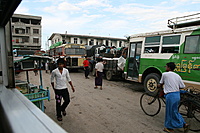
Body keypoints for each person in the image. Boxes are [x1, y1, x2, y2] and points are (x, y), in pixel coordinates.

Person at [158, 62, 189, 133]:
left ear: (168, 67)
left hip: (170, 96)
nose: (165, 67)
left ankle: (169, 128)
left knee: (169, 112)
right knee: (175, 111)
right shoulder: (177, 76)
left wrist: (158, 85)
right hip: (177, 95)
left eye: (166, 66)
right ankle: (184, 124)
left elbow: (161, 83)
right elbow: (182, 86)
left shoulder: (164, 74)